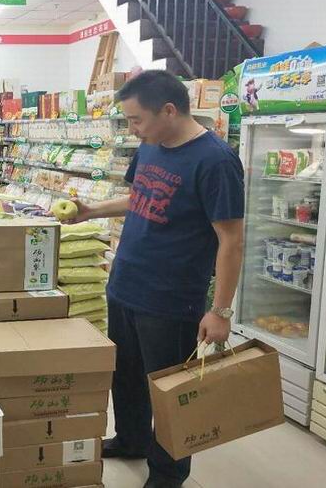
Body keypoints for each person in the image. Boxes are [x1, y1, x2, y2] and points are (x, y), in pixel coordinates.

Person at [71, 70, 245, 488]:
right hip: (126, 283)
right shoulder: (151, 144)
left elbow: (231, 240)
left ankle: (168, 473)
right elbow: (139, 196)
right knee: (126, 374)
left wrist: (220, 311)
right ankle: (131, 438)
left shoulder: (216, 161)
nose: (132, 129)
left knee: (169, 389)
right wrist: (92, 211)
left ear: (168, 110)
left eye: (136, 120)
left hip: (170, 298)